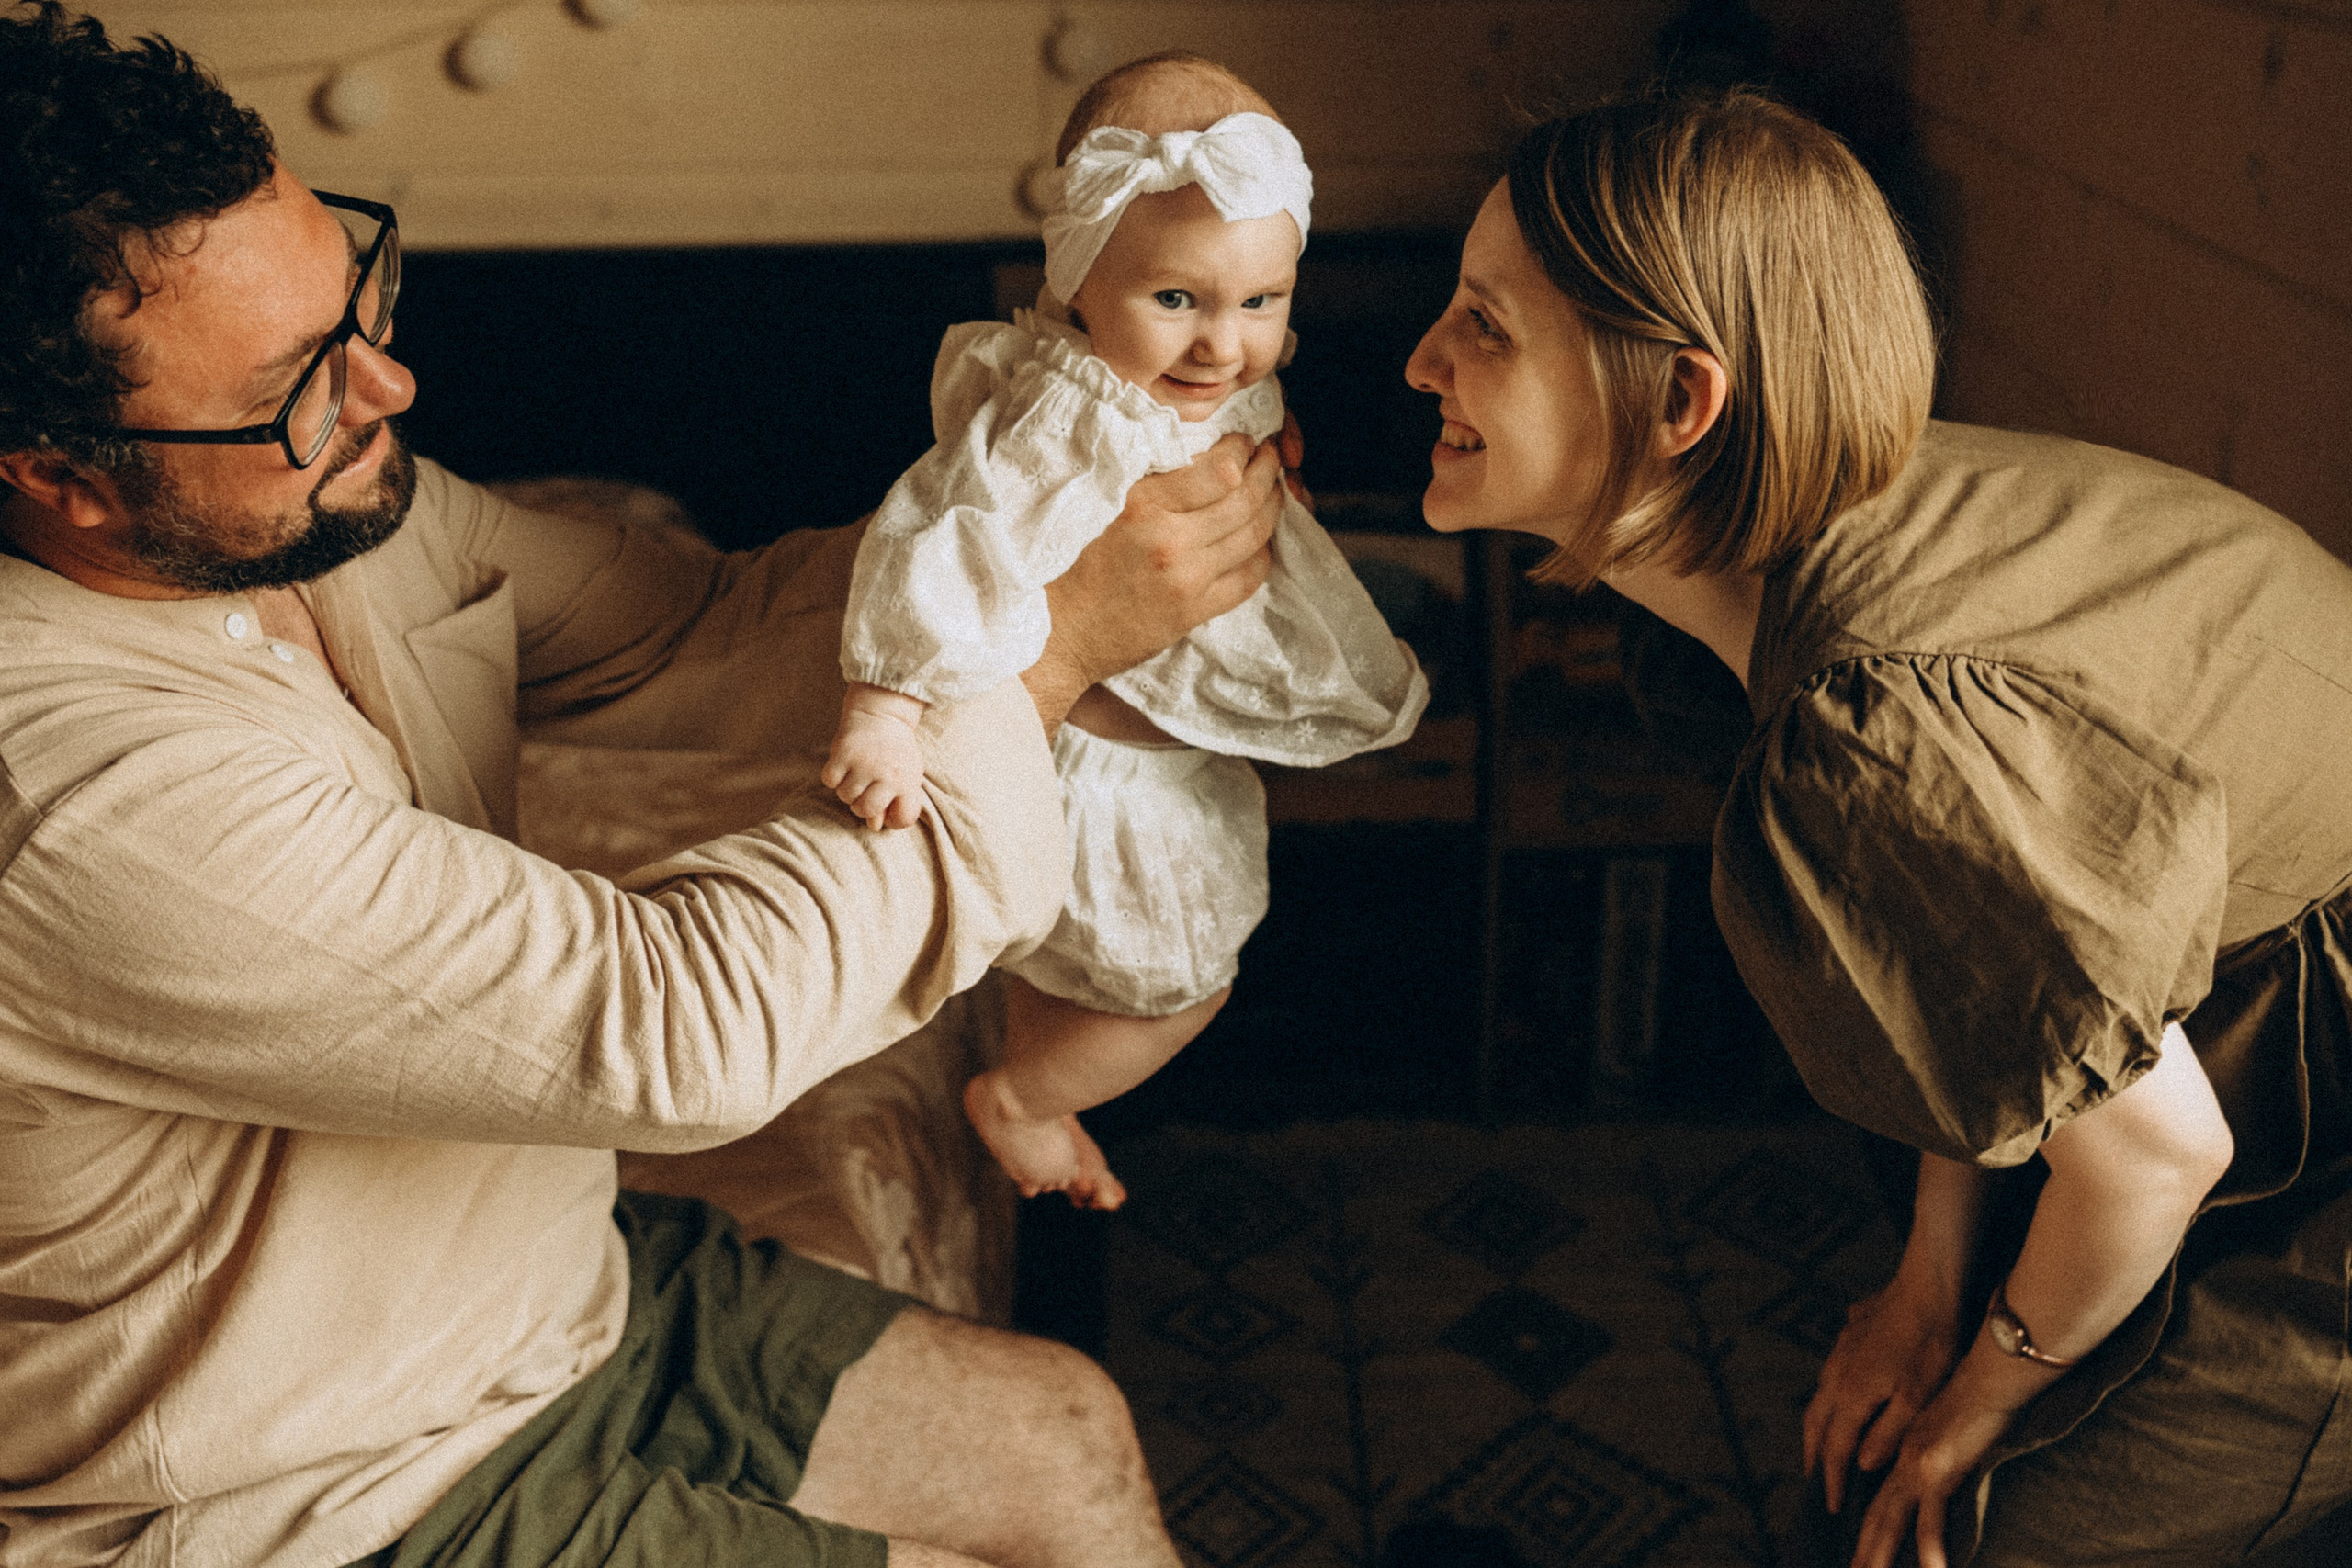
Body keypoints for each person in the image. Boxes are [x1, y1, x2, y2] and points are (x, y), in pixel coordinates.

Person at [0, 6, 1292, 1565]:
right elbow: (680, 1027)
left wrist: (1019, 551)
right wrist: (1041, 658)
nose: (388, 387)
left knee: (1064, 1427)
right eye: (299, 385)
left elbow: (699, 624)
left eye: (362, 299)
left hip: (539, 1311)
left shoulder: (314, 512)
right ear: (57, 473)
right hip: (297, 1496)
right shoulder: (75, 791)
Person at [1404, 85, 2352, 1568]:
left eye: (1485, 325)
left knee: (1962, 1530)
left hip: (2302, 1041)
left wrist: (1980, 1398)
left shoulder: (1886, 710)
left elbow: (2158, 1154)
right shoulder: (1807, 539)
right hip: (2205, 995)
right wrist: (1925, 1282)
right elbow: (1973, 968)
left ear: (1679, 404)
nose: (1422, 361)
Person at [823, 53, 1426, 1211]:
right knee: (1180, 988)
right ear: (1079, 283)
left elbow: (1237, 366)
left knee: (1080, 982)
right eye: (1177, 301)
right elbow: (945, 528)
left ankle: (1029, 1063)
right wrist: (887, 702)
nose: (1222, 346)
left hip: (1148, 754)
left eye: (1262, 302)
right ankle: (1022, 1101)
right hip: (1108, 782)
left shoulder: (1163, 372)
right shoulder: (1074, 414)